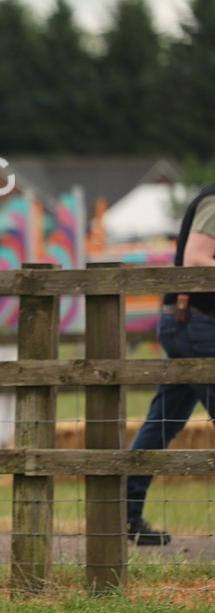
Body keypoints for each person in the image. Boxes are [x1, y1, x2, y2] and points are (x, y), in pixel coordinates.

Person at [126, 183, 215, 547]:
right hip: (198, 322)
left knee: (162, 422)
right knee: (162, 422)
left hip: (189, 321)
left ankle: (122, 514)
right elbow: (196, 257)